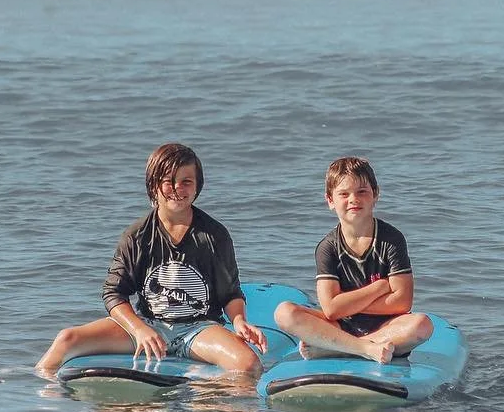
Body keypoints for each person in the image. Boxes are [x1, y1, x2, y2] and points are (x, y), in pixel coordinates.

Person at [36, 142, 267, 379]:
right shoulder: (136, 236)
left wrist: (239, 321)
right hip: (149, 324)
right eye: (168, 181)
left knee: (248, 365)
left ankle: (208, 397)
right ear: (153, 186)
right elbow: (113, 294)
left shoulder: (214, 235)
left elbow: (230, 294)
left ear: (197, 186)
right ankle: (41, 396)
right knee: (66, 339)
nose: (177, 188)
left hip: (199, 328)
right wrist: (139, 330)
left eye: (186, 181)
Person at [273, 156, 433, 363]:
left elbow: (402, 302)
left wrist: (345, 303)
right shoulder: (327, 247)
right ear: (330, 200)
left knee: (422, 325)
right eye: (343, 194)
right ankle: (363, 348)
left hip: (388, 327)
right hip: (341, 326)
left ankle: (340, 348)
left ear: (375, 195)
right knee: (284, 312)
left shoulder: (392, 239)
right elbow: (331, 310)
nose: (353, 199)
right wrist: (379, 288)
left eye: (362, 192)